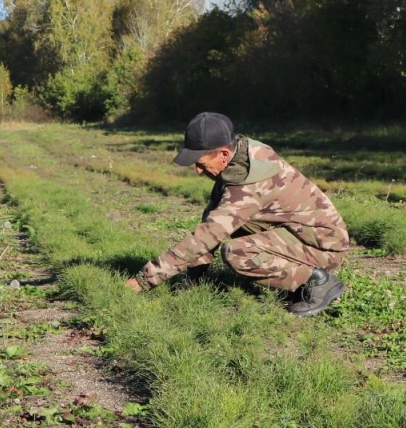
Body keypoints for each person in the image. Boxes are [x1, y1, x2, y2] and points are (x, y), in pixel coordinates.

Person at [125, 112, 349, 316]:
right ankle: (297, 282)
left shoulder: (248, 186)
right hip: (300, 235)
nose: (198, 170)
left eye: (201, 164)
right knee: (230, 227)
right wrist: (191, 283)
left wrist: (142, 281)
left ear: (223, 153)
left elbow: (205, 238)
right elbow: (209, 224)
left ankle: (318, 281)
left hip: (323, 247)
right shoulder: (238, 160)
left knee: (237, 252)